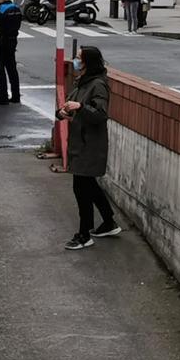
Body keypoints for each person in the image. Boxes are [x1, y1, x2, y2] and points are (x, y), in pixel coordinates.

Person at [56, 46, 120, 250]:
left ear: (87, 62)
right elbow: (71, 104)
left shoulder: (98, 85)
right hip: (80, 142)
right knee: (88, 185)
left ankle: (84, 234)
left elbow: (100, 115)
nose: (75, 61)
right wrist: (63, 112)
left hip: (90, 145)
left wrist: (81, 108)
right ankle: (108, 222)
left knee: (82, 188)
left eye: (78, 58)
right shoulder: (82, 82)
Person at [0, 0, 22, 105]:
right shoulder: (16, 8)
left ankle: (3, 96)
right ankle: (16, 96)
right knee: (12, 68)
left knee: (0, 69)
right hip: (13, 40)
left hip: (2, 41)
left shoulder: (0, 10)